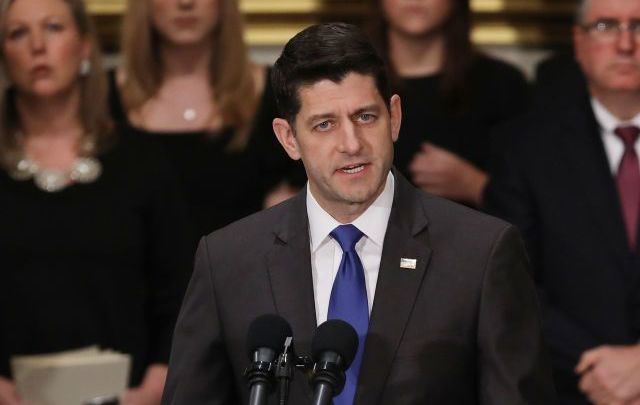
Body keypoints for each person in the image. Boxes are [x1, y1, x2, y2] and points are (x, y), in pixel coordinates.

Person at [161, 22, 556, 404]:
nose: (351, 144)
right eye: (324, 125)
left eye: (365, 117)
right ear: (289, 138)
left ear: (394, 117)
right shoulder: (227, 260)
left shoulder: (481, 254)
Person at [0, 0, 192, 403]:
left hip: (130, 396)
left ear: (85, 46)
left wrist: (154, 389)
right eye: (18, 33)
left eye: (53, 27)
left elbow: (178, 291)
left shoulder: (141, 161)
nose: (37, 45)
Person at [484, 0, 640, 403]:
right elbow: (512, 284)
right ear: (578, 41)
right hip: (566, 386)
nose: (626, 43)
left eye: (639, 25)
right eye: (606, 25)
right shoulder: (523, 147)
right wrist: (602, 369)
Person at [110, 0, 294, 246]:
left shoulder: (277, 95)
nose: (186, 3)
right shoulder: (102, 101)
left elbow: (288, 228)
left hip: (244, 276)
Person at [365, 0, 529, 207]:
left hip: (473, 235)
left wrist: (475, 185)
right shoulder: (347, 83)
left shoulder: (503, 84)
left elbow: (539, 203)